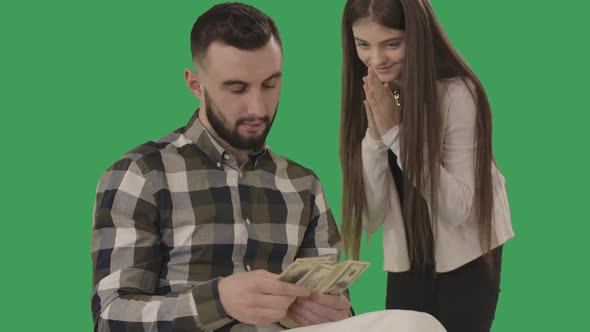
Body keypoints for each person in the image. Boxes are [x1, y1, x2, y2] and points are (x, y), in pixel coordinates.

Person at [91, 3, 350, 331]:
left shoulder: (304, 185)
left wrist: (338, 314)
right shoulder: (141, 175)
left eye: (270, 84)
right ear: (195, 84)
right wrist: (219, 300)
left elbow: (342, 310)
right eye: (237, 88)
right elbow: (110, 318)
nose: (258, 107)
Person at [338, 0, 515, 331]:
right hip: (410, 252)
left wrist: (395, 133)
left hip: (468, 254)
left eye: (392, 43)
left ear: (416, 35)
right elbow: (371, 217)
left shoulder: (460, 93)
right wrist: (376, 140)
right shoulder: (373, 90)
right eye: (363, 45)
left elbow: (459, 209)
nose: (376, 60)